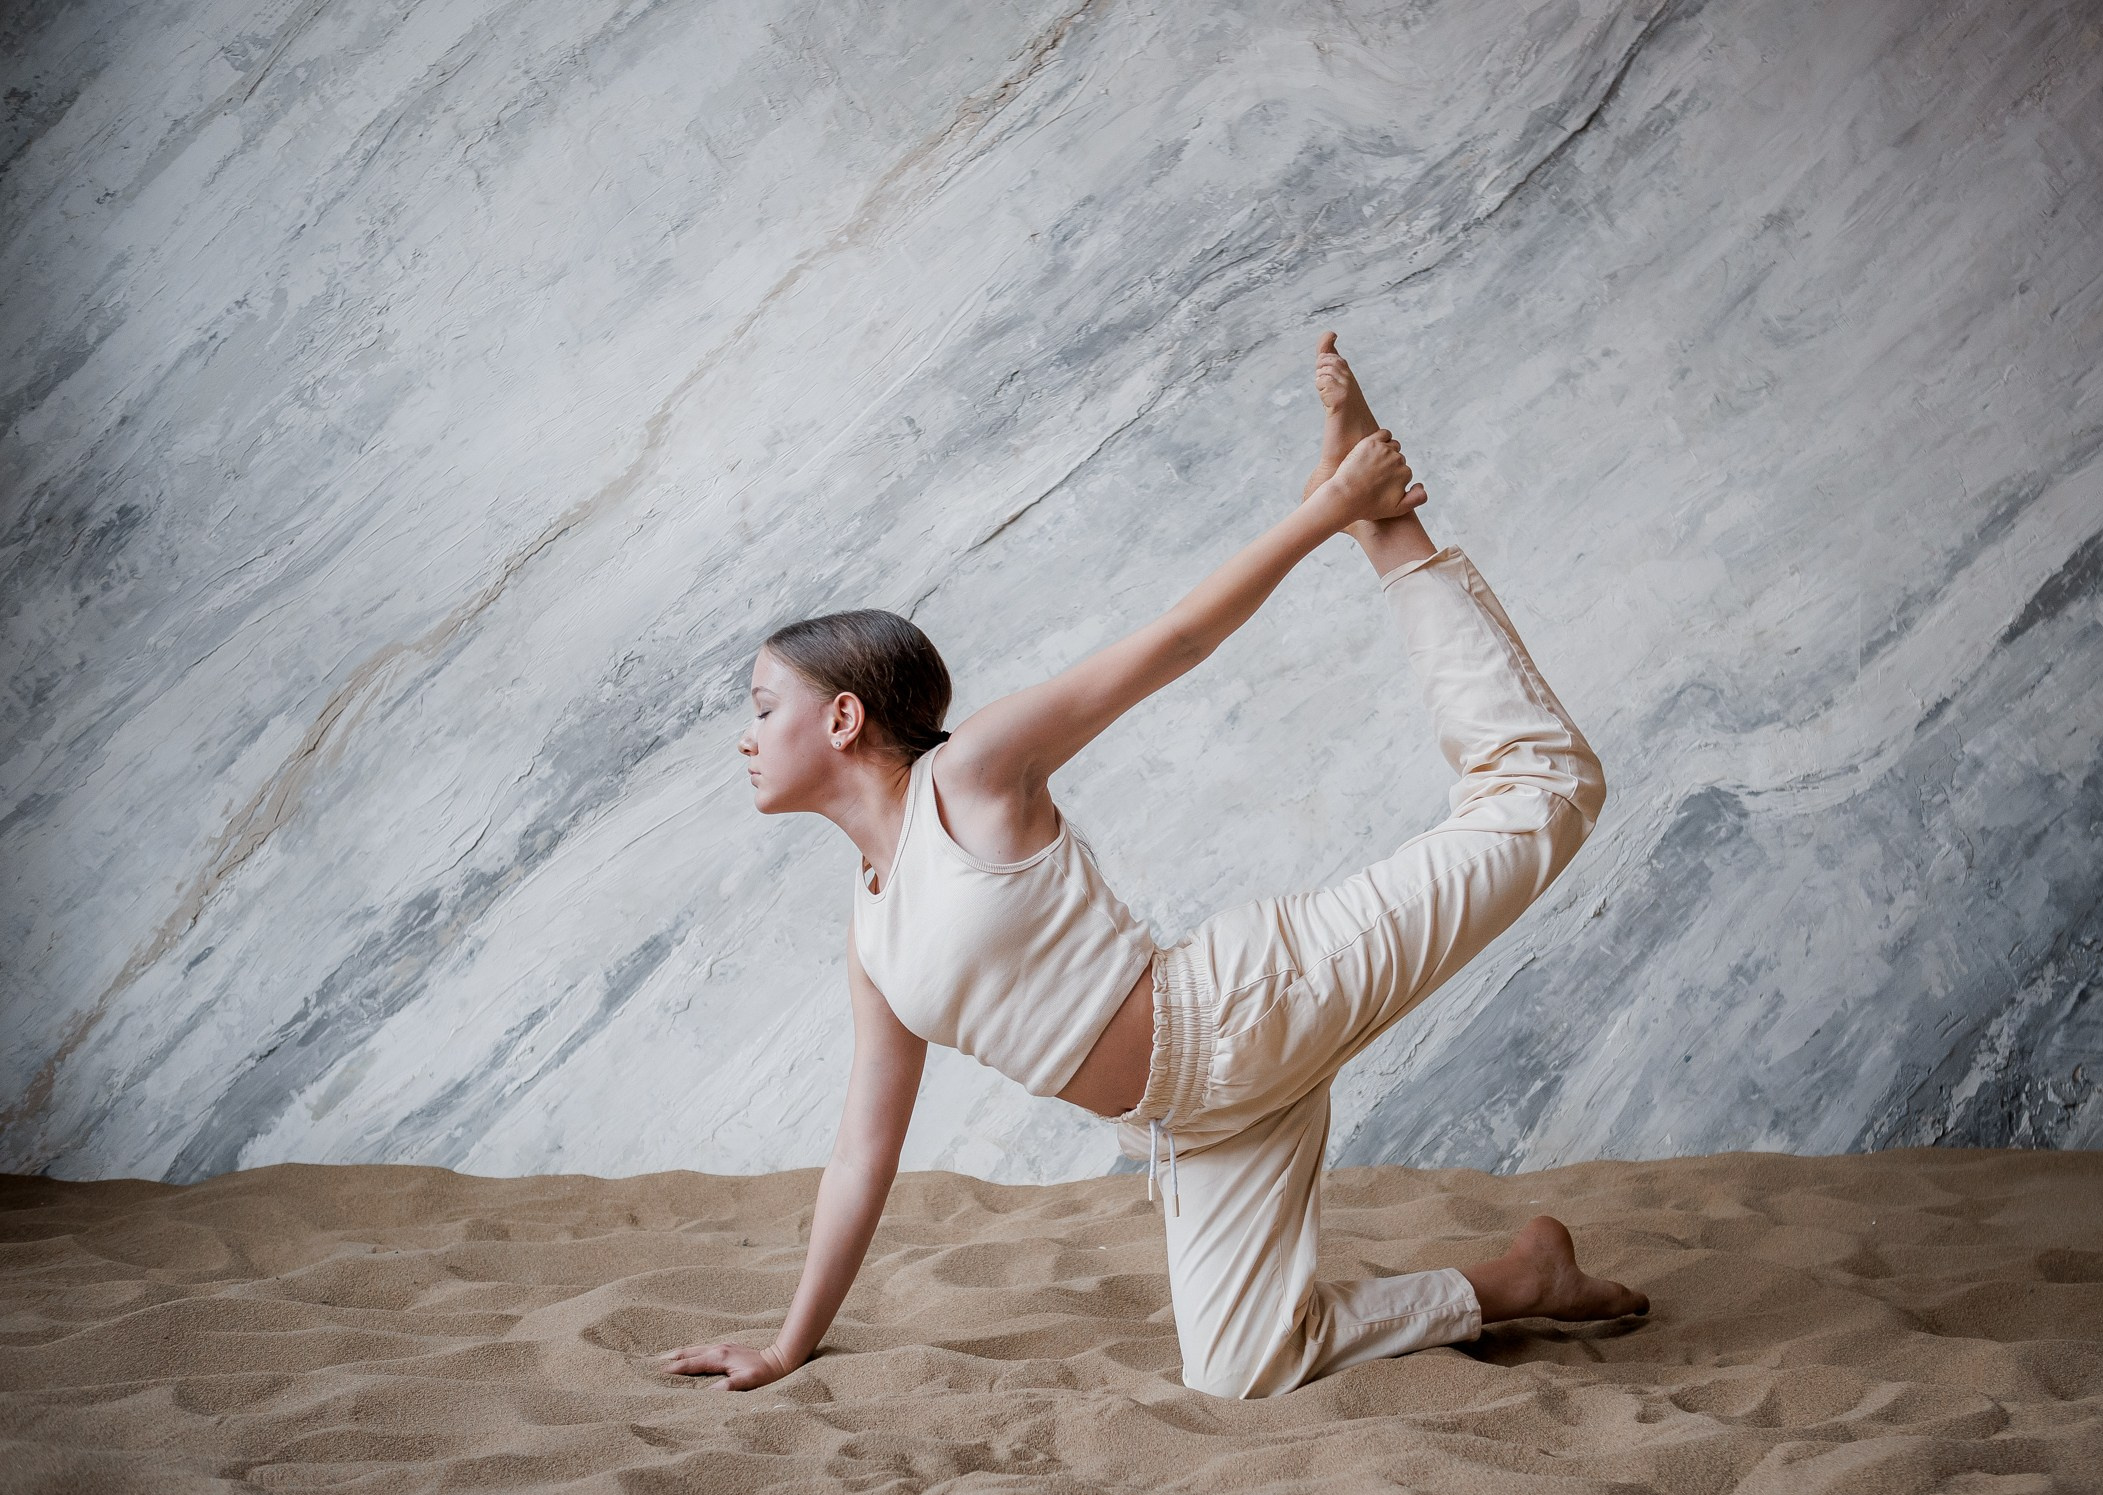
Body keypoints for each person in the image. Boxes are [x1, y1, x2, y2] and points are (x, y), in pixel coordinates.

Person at [662, 334, 1647, 1399]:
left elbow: (1177, 641)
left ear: (844, 716)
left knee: (1544, 792)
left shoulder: (974, 775)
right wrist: (788, 1341)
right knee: (1242, 1368)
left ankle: (1390, 528)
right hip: (1198, 1121)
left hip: (1248, 1007)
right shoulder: (872, 937)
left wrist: (1333, 511)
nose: (747, 735)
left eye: (764, 708)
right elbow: (863, 1154)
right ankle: (1521, 1279)